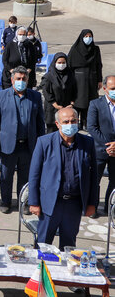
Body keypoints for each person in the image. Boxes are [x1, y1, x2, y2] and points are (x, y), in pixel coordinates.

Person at [28, 107, 98, 251]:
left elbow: (93, 176)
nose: (70, 124)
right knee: (42, 246)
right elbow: (34, 175)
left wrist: (92, 203)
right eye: (66, 121)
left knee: (68, 248)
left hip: (74, 204)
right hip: (50, 204)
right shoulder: (44, 142)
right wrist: (34, 202)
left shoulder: (87, 143)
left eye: (73, 121)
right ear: (58, 124)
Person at [0, 66, 45, 214]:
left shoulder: (35, 97)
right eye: (18, 79)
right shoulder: (1, 96)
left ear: (27, 80)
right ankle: (6, 202)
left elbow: (40, 123)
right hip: (7, 145)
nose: (21, 81)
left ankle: (24, 202)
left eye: (23, 79)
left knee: (25, 177)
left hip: (28, 145)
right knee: (6, 176)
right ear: (12, 80)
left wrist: (41, 145)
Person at [87, 75, 115, 218]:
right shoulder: (95, 104)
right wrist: (107, 145)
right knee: (95, 181)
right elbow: (92, 127)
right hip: (99, 150)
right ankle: (93, 207)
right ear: (105, 89)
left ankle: (110, 207)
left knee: (114, 181)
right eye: (112, 89)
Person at [68, 29, 103, 130]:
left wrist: (99, 80)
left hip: (92, 78)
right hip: (78, 80)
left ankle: (87, 123)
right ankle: (76, 122)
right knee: (78, 100)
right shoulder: (75, 49)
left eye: (90, 36)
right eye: (86, 36)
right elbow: (70, 66)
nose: (88, 39)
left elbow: (98, 65)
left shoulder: (95, 49)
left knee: (90, 101)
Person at [41, 53, 76, 133]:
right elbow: (46, 92)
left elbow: (75, 90)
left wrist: (72, 103)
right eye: (59, 63)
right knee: (52, 131)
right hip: (52, 108)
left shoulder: (70, 75)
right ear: (54, 63)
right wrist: (56, 105)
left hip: (67, 108)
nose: (61, 65)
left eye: (63, 63)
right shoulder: (48, 77)